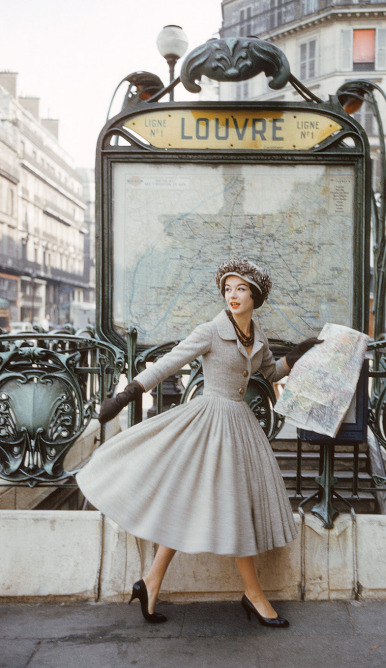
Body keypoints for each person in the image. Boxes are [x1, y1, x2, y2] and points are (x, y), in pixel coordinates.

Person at [76, 258, 321, 628]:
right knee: (233, 505)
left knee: (195, 503)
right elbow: (167, 365)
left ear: (255, 296)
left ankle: (151, 582)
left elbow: (269, 372)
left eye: (241, 289)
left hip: (239, 424)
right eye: (228, 289)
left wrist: (297, 355)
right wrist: (126, 395)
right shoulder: (210, 330)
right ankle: (253, 595)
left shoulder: (258, 335)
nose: (233, 295)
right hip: (210, 422)